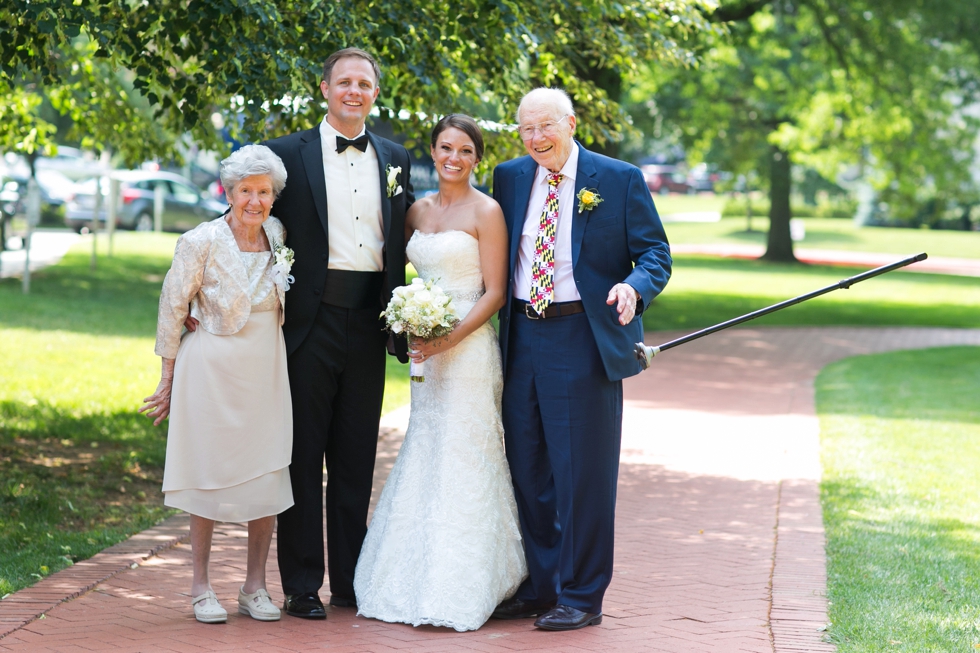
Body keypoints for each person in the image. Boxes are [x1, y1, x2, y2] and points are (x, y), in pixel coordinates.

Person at [490, 88, 672, 631]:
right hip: (522, 336)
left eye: (546, 126)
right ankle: (543, 586)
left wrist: (634, 288)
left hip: (583, 338)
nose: (537, 138)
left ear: (570, 123)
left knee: (582, 474)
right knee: (529, 468)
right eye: (526, 129)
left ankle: (582, 594)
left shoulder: (618, 179)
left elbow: (656, 253)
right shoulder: (510, 176)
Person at [353, 114, 527, 631]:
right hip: (425, 351)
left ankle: (468, 580)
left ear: (478, 158)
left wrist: (444, 338)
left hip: (469, 350)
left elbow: (495, 292)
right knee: (426, 446)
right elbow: (391, 269)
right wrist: (408, 325)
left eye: (466, 151)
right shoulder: (415, 211)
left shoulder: (487, 211)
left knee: (465, 452)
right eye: (446, 148)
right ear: (432, 151)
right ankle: (411, 572)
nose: (455, 158)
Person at [262, 47, 414, 620]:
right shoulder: (284, 155)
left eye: (365, 83)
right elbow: (248, 224)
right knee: (302, 456)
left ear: (375, 93)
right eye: (344, 82)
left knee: (355, 457)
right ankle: (302, 585)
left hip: (371, 324)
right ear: (324, 88)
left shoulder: (396, 158)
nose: (354, 91)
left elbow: (405, 237)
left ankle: (351, 583)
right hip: (308, 323)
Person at [140, 144, 294, 624]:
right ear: (228, 192)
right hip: (210, 369)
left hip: (265, 369)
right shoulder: (199, 240)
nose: (255, 200)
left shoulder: (277, 232)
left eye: (264, 191)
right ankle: (201, 587)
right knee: (205, 472)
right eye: (245, 190)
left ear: (273, 196)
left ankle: (254, 586)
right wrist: (166, 379)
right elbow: (171, 306)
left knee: (267, 474)